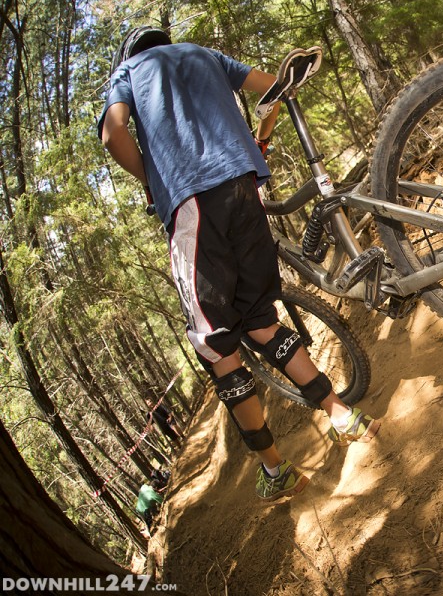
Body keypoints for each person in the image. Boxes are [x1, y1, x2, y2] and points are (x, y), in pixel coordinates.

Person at [99, 26, 380, 502]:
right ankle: (342, 415)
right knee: (261, 320)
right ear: (164, 41)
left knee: (215, 343)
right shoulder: (201, 53)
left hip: (192, 200)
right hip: (243, 183)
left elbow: (113, 133)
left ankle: (276, 469)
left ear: (130, 55)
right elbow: (271, 85)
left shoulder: (128, 72)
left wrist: (153, 180)